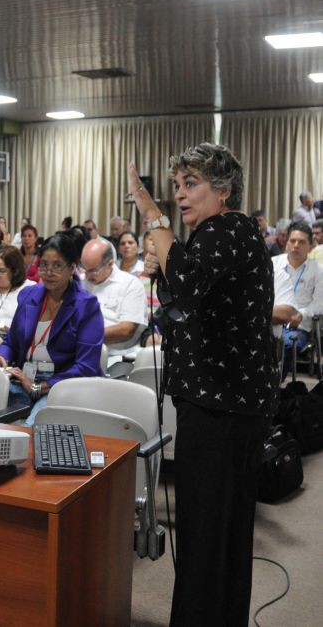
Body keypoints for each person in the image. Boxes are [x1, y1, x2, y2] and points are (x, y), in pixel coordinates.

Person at [129, 143, 276, 626]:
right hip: (227, 405)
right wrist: (164, 271)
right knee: (219, 538)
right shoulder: (222, 235)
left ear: (224, 191)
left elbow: (189, 289)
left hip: (223, 409)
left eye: (191, 185)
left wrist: (153, 217)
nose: (181, 196)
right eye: (176, 187)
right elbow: (188, 306)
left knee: (207, 537)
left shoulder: (227, 229)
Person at [0, 233, 104, 424]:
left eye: (57, 266)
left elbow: (86, 367)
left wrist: (38, 386)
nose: (49, 272)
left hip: (61, 386)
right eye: (44, 265)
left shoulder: (86, 306)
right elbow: (11, 342)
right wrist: (1, 356)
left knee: (33, 429)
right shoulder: (28, 296)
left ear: (72, 269)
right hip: (21, 380)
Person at [80, 238, 148, 367]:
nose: (88, 276)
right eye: (84, 269)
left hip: (117, 358)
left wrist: (84, 335)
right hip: (80, 355)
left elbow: (126, 331)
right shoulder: (80, 283)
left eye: (93, 271)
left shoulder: (130, 284)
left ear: (110, 263)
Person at [272, 221, 323, 376]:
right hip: (272, 320)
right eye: (292, 241)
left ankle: (277, 380)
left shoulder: (318, 271)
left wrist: (301, 313)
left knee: (288, 344)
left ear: (310, 245)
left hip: (298, 326)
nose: (295, 245)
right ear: (286, 243)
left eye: (301, 242)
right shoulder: (273, 264)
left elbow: (319, 304)